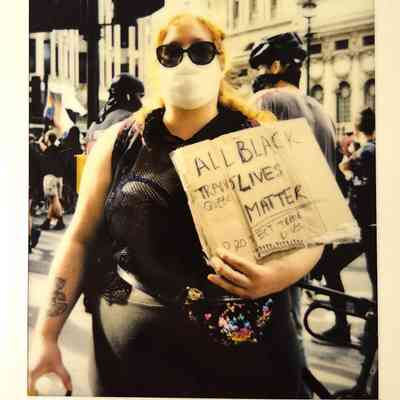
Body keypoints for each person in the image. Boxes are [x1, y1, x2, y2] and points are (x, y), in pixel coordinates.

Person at [29, 14, 325, 398]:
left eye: (201, 51)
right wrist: (46, 336)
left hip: (250, 362)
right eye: (171, 52)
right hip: (132, 364)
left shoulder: (264, 137)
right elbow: (80, 239)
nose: (186, 62)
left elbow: (314, 232)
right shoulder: (118, 143)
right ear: (156, 64)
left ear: (220, 61)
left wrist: (276, 277)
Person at [249, 32, 336, 397]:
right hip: (312, 233)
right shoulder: (320, 110)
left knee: (266, 327)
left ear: (275, 66)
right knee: (289, 319)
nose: (258, 74)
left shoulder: (265, 101)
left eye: (261, 66)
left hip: (270, 232)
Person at [340, 107, 377, 302]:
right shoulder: (373, 148)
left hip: (364, 226)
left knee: (375, 273)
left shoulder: (366, 152)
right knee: (376, 276)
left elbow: (344, 166)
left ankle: (372, 324)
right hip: (370, 224)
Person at [86, 73, 144, 153]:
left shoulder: (95, 124)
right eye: (140, 96)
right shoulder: (128, 120)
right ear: (129, 96)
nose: (141, 102)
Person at [39, 131, 66, 230]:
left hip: (50, 178)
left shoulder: (48, 150)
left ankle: (60, 220)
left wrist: (42, 139)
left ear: (48, 139)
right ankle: (48, 220)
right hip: (58, 178)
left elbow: (40, 144)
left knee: (54, 199)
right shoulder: (58, 149)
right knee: (53, 201)